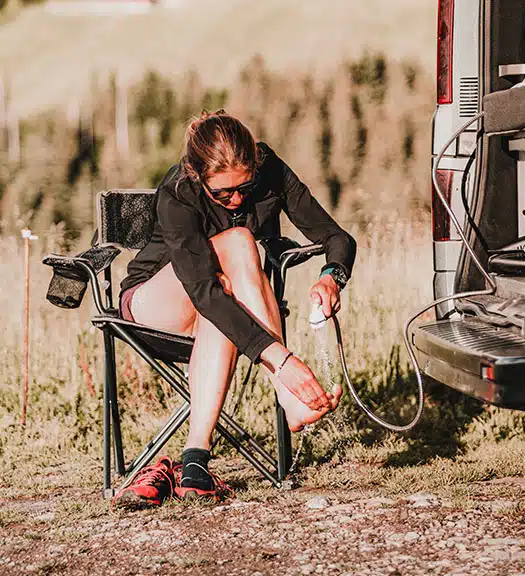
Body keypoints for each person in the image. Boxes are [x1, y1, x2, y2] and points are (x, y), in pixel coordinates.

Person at [113, 110, 356, 508]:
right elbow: (201, 289)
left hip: (221, 311)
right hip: (155, 305)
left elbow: (334, 235)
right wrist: (285, 360)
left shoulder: (271, 169)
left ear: (256, 166)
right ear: (197, 175)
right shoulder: (178, 191)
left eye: (245, 187)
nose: (237, 199)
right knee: (241, 242)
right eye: (222, 194)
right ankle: (287, 392)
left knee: (228, 290)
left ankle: (194, 460)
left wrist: (331, 277)